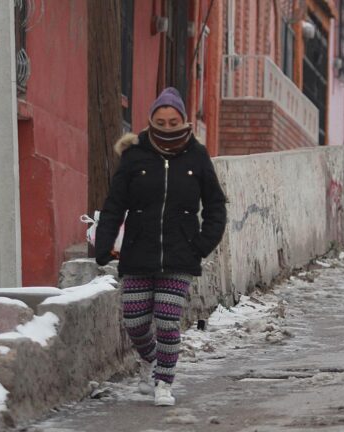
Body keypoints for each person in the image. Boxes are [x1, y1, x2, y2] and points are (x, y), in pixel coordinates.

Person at [95, 87, 227, 406]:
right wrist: (103, 243)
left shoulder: (197, 156)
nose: (167, 126)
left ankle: (164, 381)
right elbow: (115, 204)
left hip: (181, 255)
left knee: (168, 321)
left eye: (173, 121)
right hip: (138, 252)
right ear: (151, 120)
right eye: (161, 121)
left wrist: (200, 246)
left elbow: (215, 207)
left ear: (182, 120)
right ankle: (151, 359)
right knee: (135, 321)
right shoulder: (134, 155)